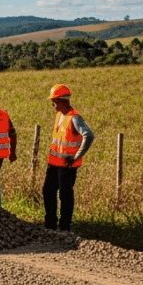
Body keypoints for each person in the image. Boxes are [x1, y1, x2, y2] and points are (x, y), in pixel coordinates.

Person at [43, 84, 95, 231]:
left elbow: (89, 135)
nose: (52, 105)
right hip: (53, 164)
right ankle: (50, 225)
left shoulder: (74, 118)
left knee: (65, 195)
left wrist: (76, 157)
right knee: (48, 191)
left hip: (67, 166)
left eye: (54, 101)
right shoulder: (59, 115)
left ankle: (65, 227)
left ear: (61, 100)